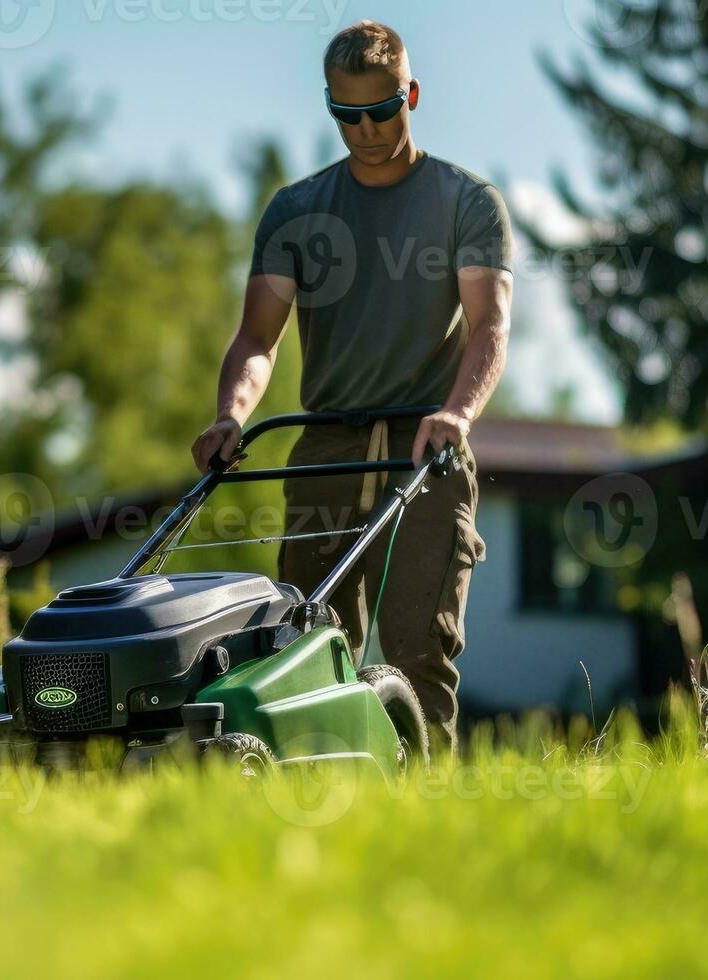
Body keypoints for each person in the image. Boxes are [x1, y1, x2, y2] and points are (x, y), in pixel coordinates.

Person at [189, 19, 513, 753]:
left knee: (418, 654)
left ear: (412, 95)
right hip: (326, 453)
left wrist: (457, 414)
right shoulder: (297, 210)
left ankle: (421, 815)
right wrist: (229, 416)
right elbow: (255, 339)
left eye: (380, 110)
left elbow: (489, 327)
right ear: (327, 105)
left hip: (425, 451)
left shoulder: (465, 201)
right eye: (345, 114)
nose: (364, 130)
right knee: (302, 652)